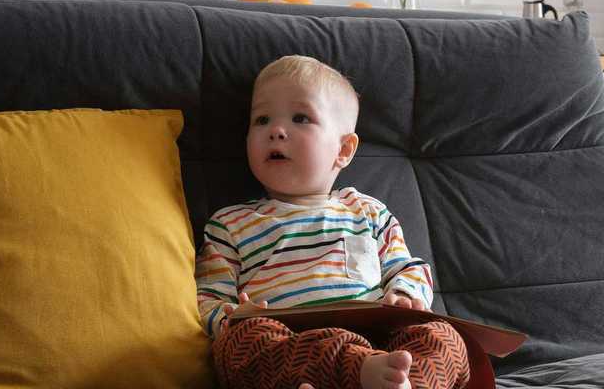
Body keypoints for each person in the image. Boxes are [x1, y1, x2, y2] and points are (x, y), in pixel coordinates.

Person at [195, 55, 470, 389]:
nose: (276, 131)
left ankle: (402, 381)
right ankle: (360, 372)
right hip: (293, 349)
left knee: (444, 336)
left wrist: (403, 294)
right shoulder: (230, 224)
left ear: (343, 149)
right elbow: (207, 297)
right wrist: (233, 315)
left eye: (300, 118)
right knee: (240, 342)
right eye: (261, 119)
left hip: (378, 341)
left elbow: (408, 268)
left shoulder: (368, 211)